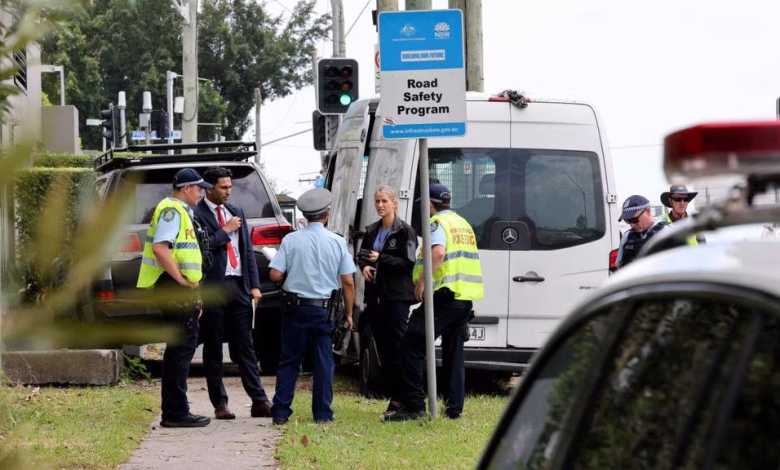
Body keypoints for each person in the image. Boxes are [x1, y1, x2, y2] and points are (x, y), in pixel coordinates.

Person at [384, 183, 484, 421]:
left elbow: (437, 253)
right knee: (454, 350)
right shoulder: (463, 223)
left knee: (412, 343)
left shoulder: (437, 223)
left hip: (444, 294)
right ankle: (454, 409)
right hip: (464, 296)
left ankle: (413, 406)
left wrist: (421, 284)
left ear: (430, 204)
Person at [268, 188, 356, 425]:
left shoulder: (291, 240)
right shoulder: (337, 242)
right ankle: (322, 415)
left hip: (295, 309)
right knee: (324, 362)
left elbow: (275, 274)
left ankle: (280, 412)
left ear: (305, 216)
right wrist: (348, 313)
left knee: (289, 361)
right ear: (326, 214)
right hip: (324, 311)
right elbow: (348, 281)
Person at [193, 167, 272, 420]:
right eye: (223, 187)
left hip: (239, 285)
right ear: (209, 188)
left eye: (230, 187)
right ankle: (220, 403)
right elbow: (202, 247)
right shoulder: (197, 214)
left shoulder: (236, 211)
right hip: (213, 287)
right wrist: (225, 229)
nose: (228, 191)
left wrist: (254, 285)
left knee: (245, 344)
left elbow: (247, 250)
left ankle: (259, 400)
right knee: (214, 345)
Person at [136, 168, 212, 428]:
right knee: (180, 351)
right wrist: (180, 280)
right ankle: (176, 412)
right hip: (172, 287)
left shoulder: (182, 211)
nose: (202, 193)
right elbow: (160, 248)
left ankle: (176, 410)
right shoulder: (172, 210)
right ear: (187, 188)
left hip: (180, 289)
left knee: (181, 349)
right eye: (199, 188)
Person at [357, 186, 418, 401]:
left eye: (384, 201)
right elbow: (362, 255)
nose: (380, 205)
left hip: (397, 296)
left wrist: (381, 258)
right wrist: (364, 266)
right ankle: (389, 390)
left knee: (398, 343)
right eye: (377, 201)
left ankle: (404, 392)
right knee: (380, 343)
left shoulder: (405, 231)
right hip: (375, 296)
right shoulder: (372, 229)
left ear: (394, 204)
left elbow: (409, 262)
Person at [616, 195, 668, 269]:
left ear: (648, 211)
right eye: (627, 221)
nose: (631, 225)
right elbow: (618, 265)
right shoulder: (626, 236)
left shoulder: (668, 233)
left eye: (634, 220)